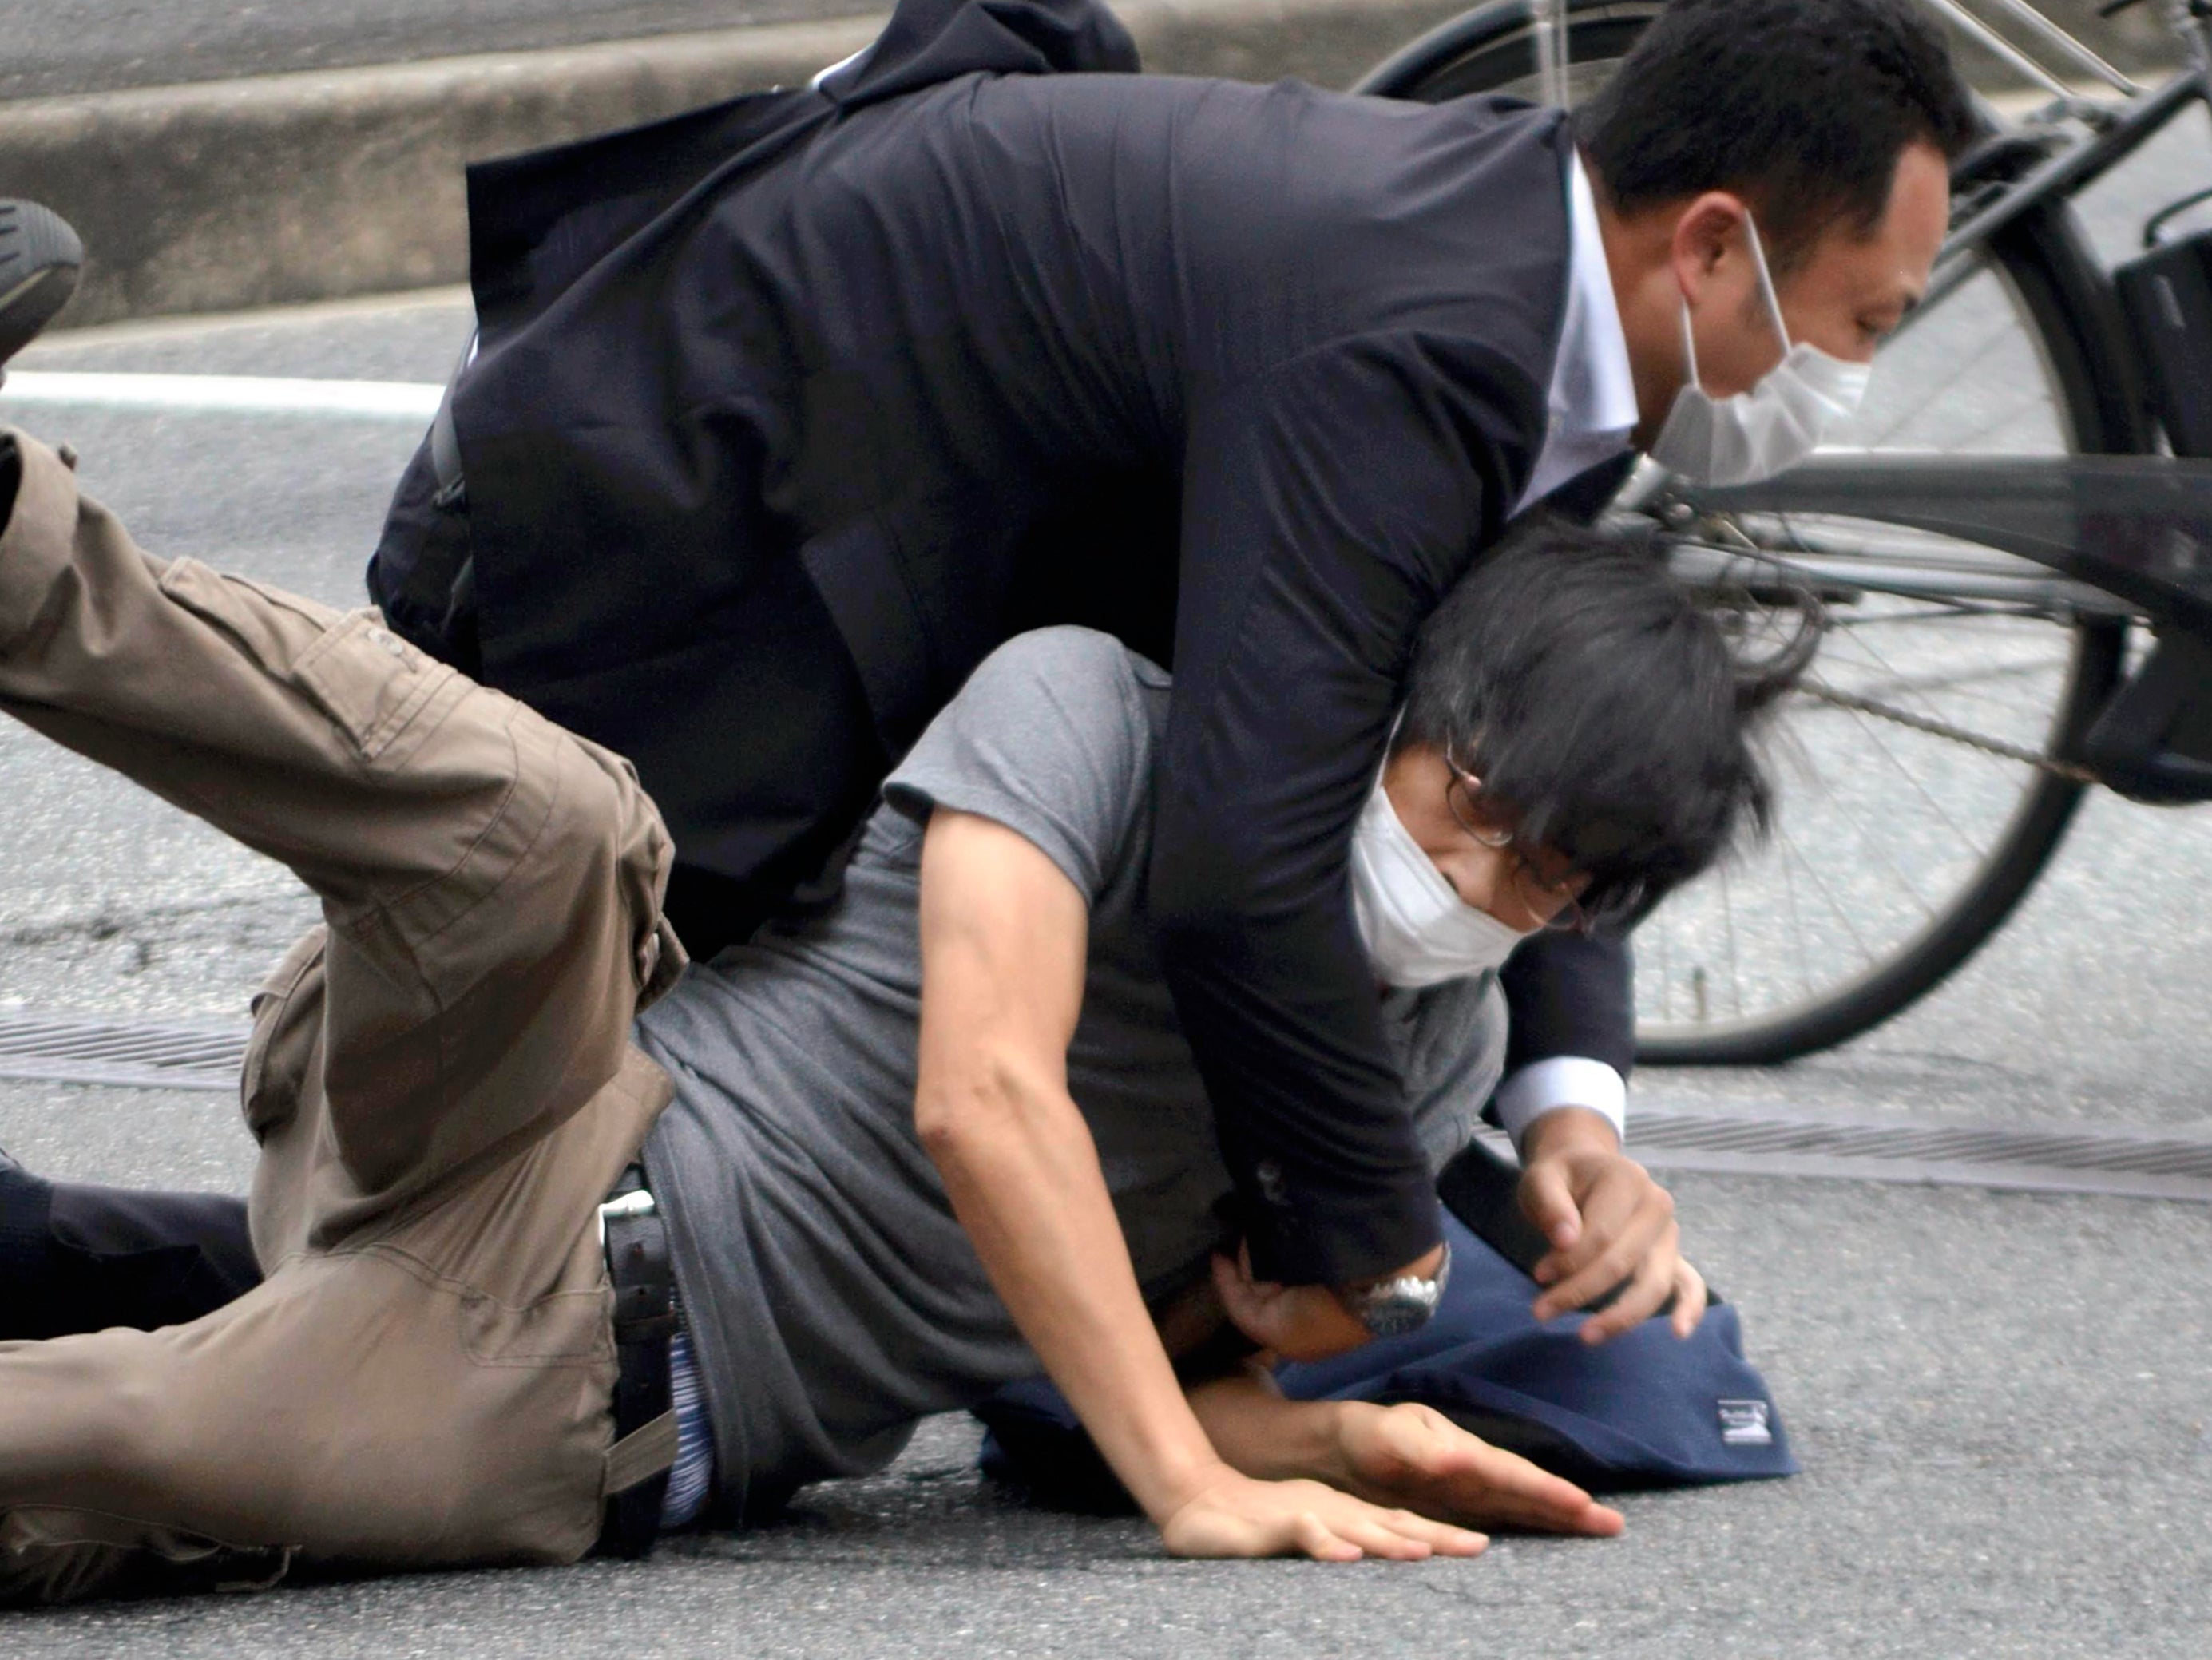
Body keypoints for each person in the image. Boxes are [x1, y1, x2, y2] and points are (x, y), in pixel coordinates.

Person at [0, 367, 1791, 1599]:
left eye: (1541, 876)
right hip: (536, 1096)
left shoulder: (1421, 1053)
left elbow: (1095, 1392)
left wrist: (1323, 1409)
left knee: (117, 1446)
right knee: (550, 821)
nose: (1470, 879)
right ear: (1397, 704)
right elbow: (981, 1090)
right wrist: (1191, 1475)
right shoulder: (1094, 712)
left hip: (569, 1385)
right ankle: (11, 535)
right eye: (1464, 802)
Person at [365, 0, 1975, 1344]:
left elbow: (1517, 709)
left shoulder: (1538, 294)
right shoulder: (1421, 344)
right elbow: (1238, 864)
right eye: (1858, 319)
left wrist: (1568, 1112)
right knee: (471, 1227)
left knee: (504, 1259)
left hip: (778, 541)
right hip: (605, 529)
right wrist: (1381, 1260)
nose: (1844, 376)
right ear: (1707, 248)